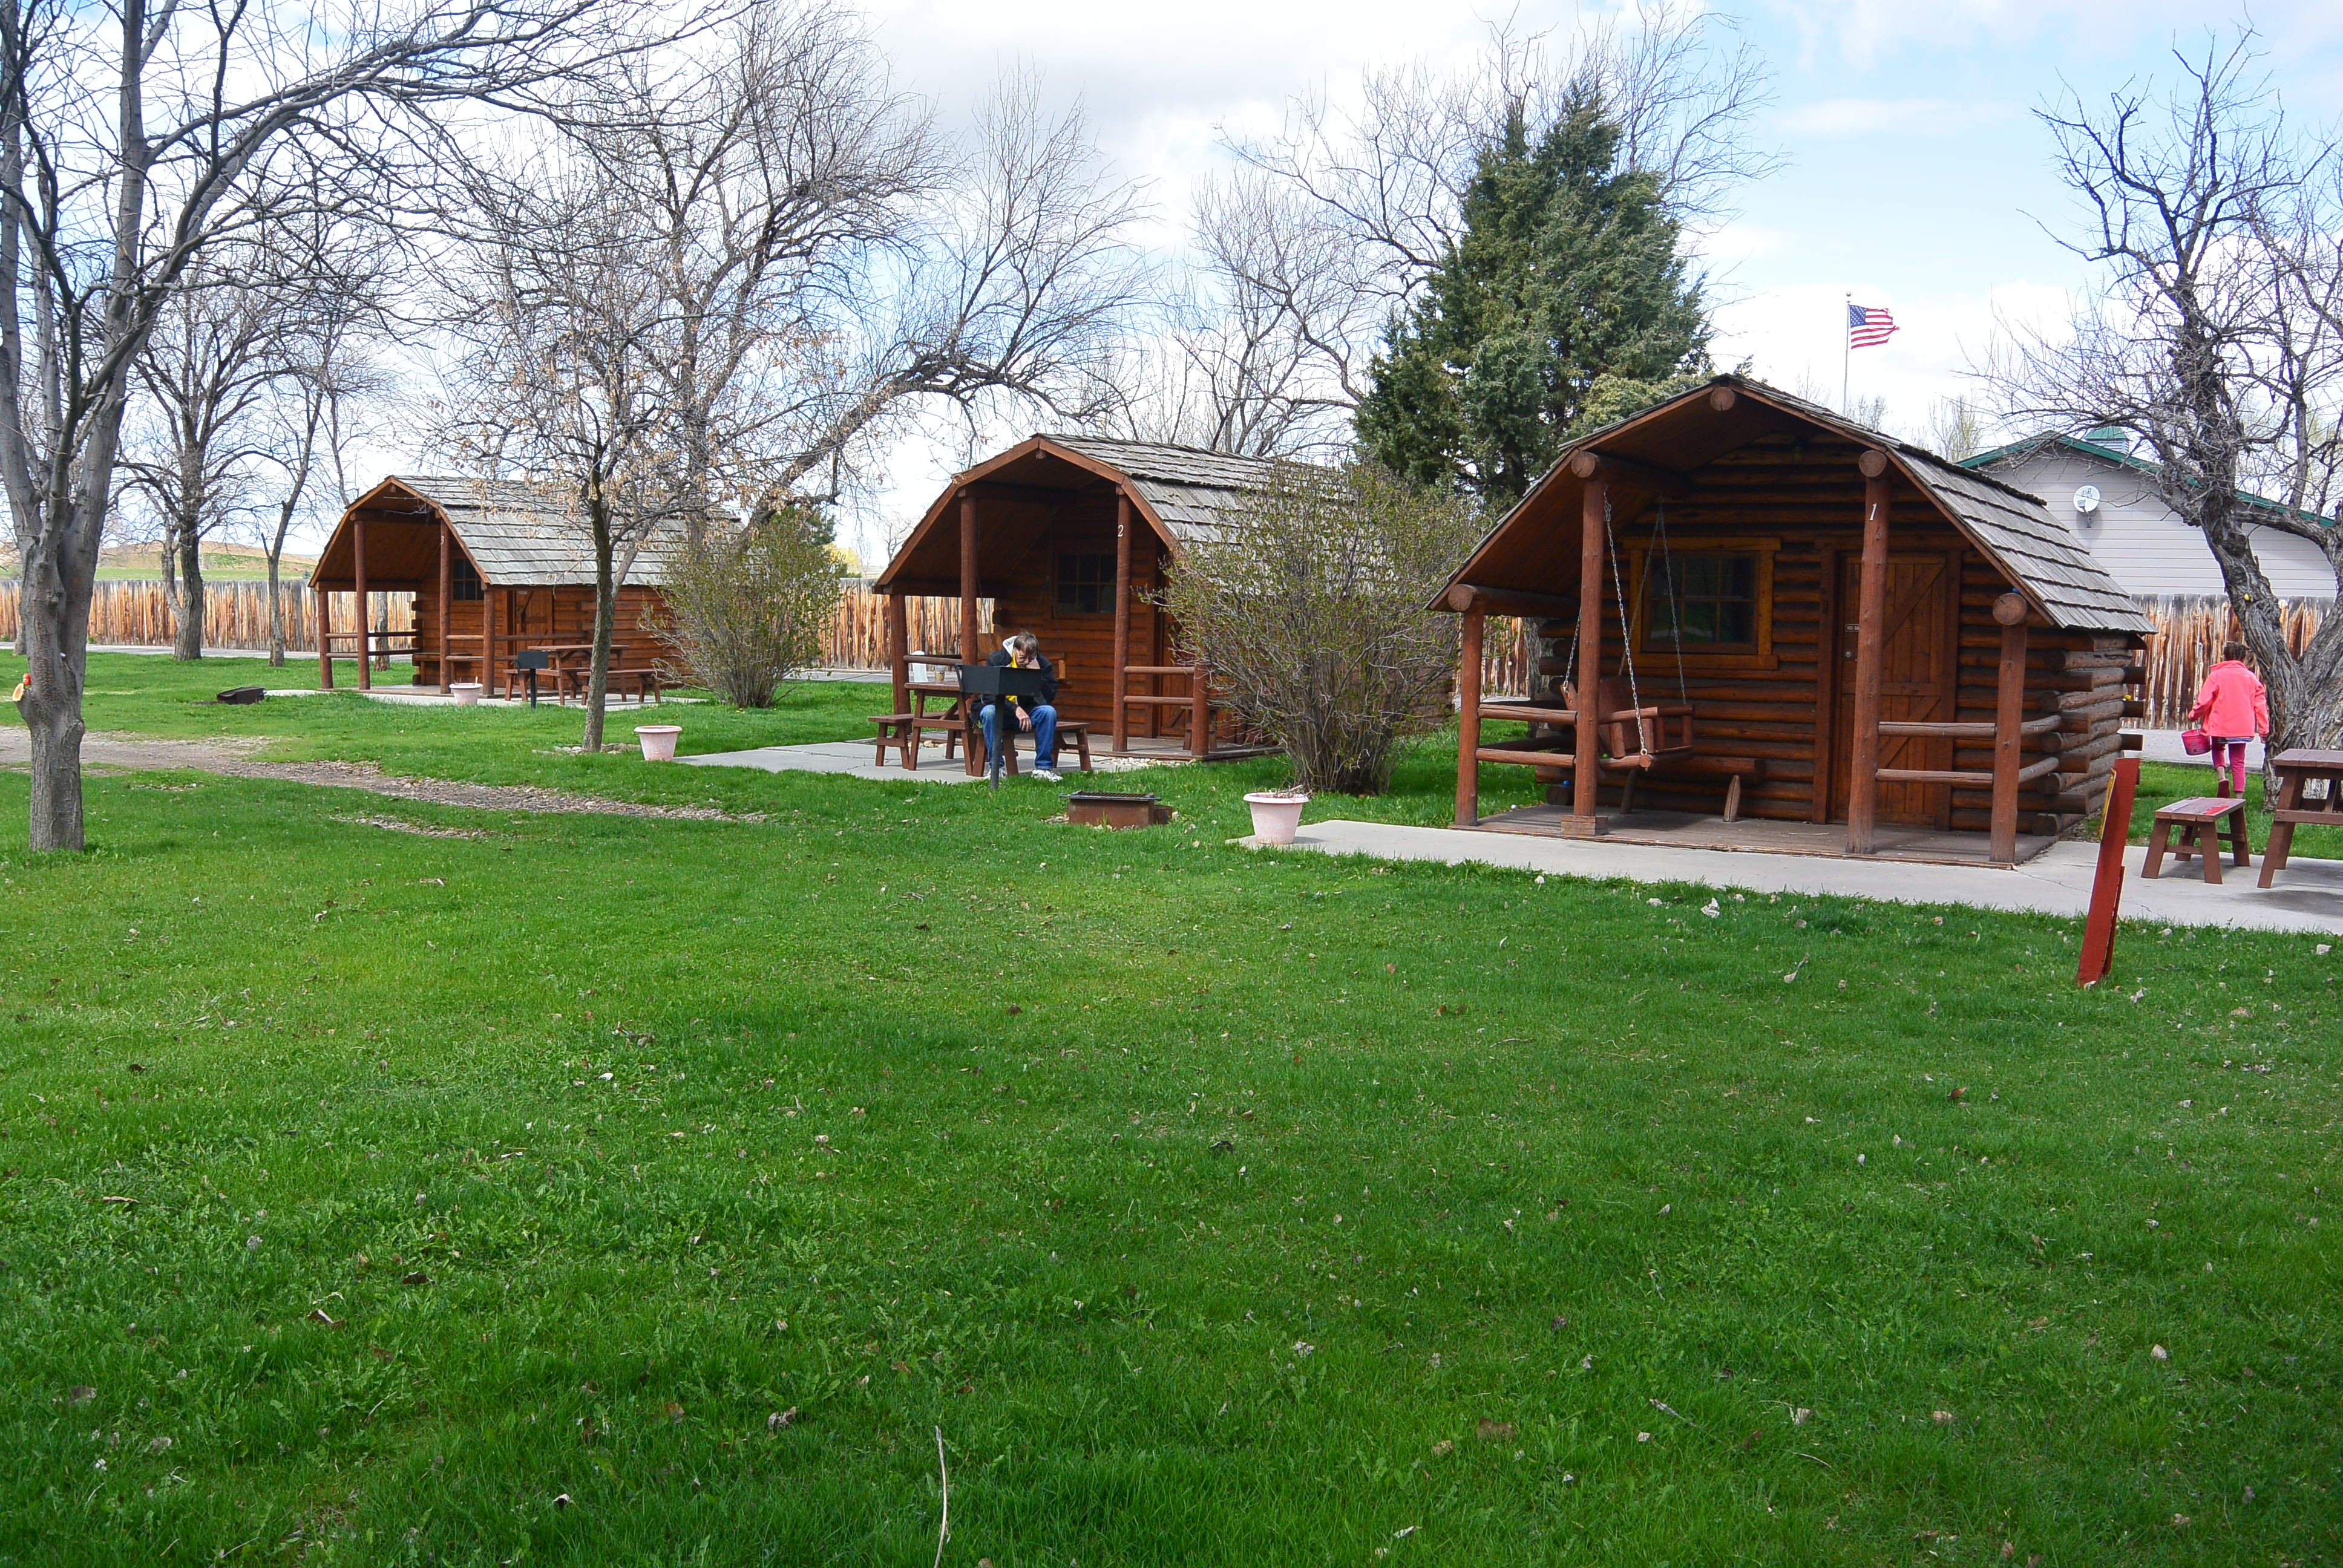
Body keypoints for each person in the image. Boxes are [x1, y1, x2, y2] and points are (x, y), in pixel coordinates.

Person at [2187, 640, 2269, 797]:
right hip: (2243, 728)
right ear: (2244, 658)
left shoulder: (2217, 675)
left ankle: (2222, 778)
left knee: (2218, 749)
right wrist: (2264, 730)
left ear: (2225, 657)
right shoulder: (2251, 678)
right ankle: (2239, 797)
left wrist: (2194, 715)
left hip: (2220, 725)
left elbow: (2204, 702)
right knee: (2238, 760)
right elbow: (2260, 706)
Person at [980, 633, 1061, 782]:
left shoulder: (1042, 664)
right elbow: (988, 695)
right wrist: (1015, 709)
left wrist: (1038, 675)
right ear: (1015, 650)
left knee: (1048, 712)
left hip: (1029, 714)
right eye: (1023, 657)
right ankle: (996, 769)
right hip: (1003, 713)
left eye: (1031, 658)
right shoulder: (997, 660)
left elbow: (1048, 698)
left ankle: (1042, 768)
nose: (1027, 662)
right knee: (988, 711)